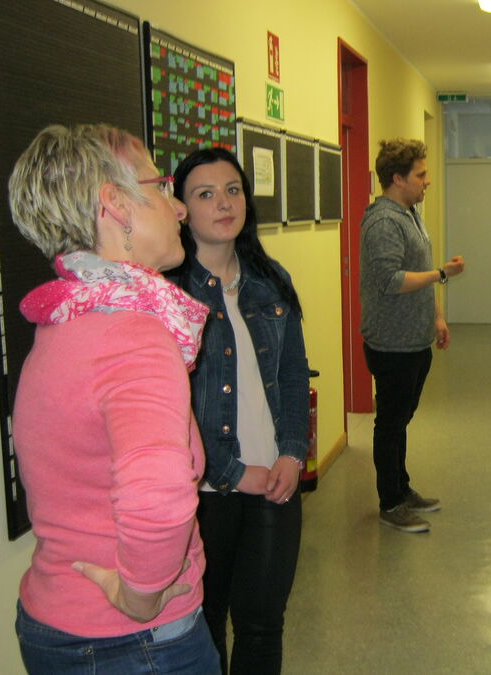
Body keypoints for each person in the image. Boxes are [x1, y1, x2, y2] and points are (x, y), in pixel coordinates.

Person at [8, 124, 219, 673]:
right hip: (133, 641)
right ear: (116, 205)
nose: (179, 207)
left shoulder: (67, 315)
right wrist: (142, 595)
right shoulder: (131, 333)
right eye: (161, 186)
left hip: (59, 622)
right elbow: (158, 494)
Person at [171, 147, 309, 674]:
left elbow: (294, 374)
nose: (224, 203)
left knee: (262, 624)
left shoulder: (269, 280)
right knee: (204, 625)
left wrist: (293, 453)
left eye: (232, 190)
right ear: (182, 210)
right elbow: (171, 407)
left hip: (275, 479)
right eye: (205, 194)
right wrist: (230, 472)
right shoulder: (169, 296)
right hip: (204, 495)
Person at [359, 138, 465, 533]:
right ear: (398, 178)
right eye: (421, 175)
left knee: (401, 419)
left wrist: (437, 317)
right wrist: (442, 274)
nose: (427, 181)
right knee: (390, 424)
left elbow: (419, 271)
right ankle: (390, 503)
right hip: (392, 344)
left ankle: (402, 488)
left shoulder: (410, 214)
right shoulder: (383, 222)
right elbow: (390, 280)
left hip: (415, 338)